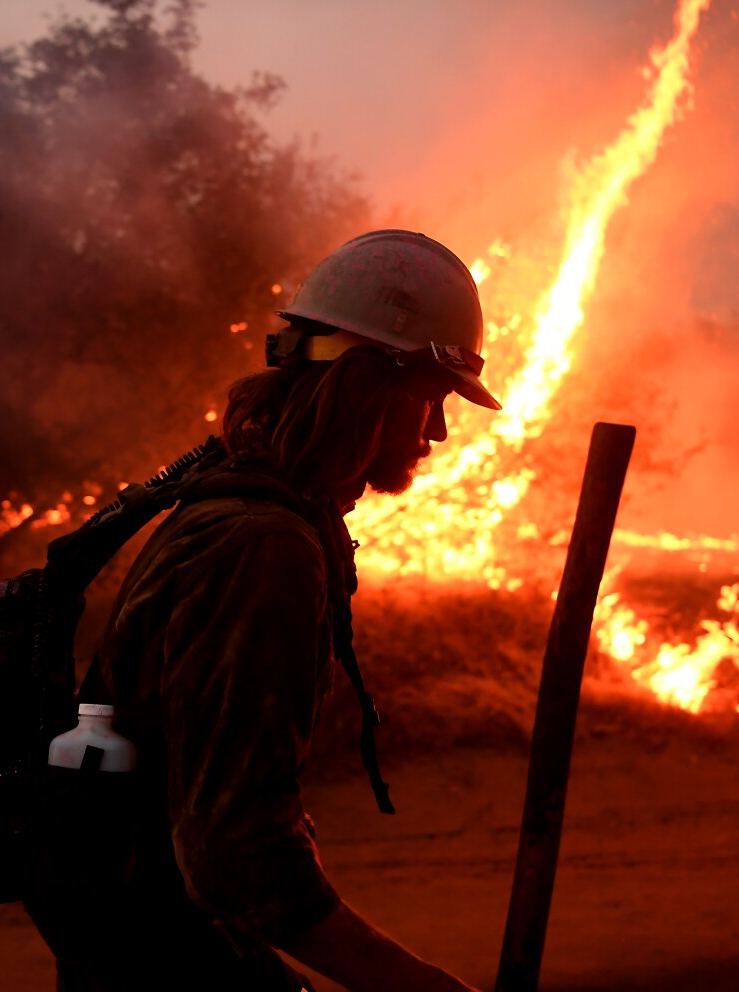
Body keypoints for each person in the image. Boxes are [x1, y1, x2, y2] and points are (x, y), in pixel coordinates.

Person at [25, 230, 500, 991]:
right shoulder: (263, 548)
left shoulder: (244, 510)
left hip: (140, 947)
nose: (439, 432)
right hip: (163, 961)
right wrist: (422, 987)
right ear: (367, 387)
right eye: (432, 397)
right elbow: (238, 856)